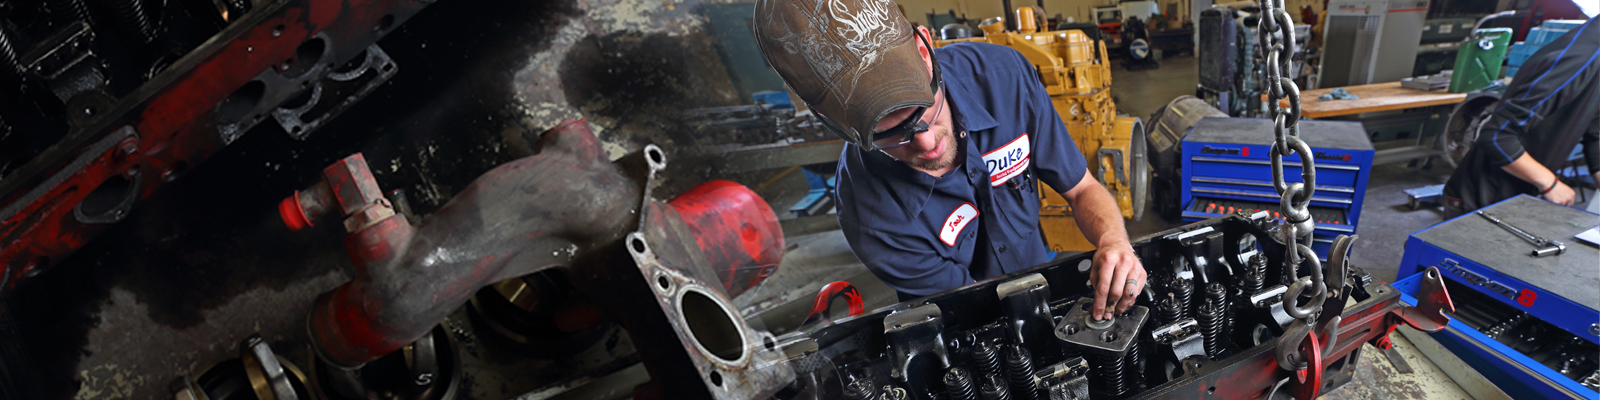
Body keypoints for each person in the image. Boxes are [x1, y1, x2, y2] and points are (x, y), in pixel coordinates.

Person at [752, 0, 1146, 320]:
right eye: (890, 135)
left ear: (925, 50)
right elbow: (966, 309)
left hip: (1038, 263)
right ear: (830, 123)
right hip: (968, 310)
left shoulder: (1004, 78)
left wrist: (1114, 240)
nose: (925, 143)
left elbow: (1081, 189)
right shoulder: (870, 213)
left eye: (926, 110)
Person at [1443, 17, 1599, 215]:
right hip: (1482, 198)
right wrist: (1550, 184)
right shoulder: (1578, 60)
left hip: (1520, 196)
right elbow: (1498, 136)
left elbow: (1595, 133)